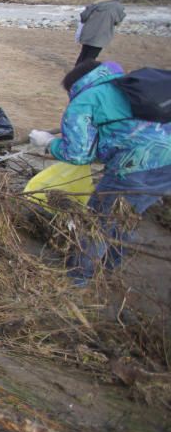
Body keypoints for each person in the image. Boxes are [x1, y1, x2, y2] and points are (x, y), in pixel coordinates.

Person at [28, 61, 171, 284]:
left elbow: (77, 155)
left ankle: (78, 277)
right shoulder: (130, 84)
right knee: (127, 214)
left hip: (134, 167)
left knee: (98, 222)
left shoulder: (86, 100)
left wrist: (47, 142)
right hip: (166, 166)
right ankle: (109, 265)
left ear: (74, 86)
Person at [76, 0, 125, 66]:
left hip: (88, 32)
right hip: (102, 36)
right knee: (91, 57)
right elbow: (117, 21)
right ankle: (82, 75)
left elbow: (83, 16)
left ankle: (76, 72)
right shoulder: (119, 7)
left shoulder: (97, 3)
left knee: (83, 54)